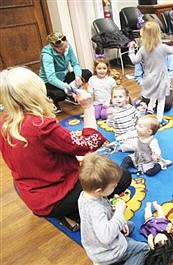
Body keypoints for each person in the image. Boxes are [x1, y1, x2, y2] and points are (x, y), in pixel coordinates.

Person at [0, 67, 132, 229]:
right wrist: (88, 107)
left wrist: (76, 158)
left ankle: (74, 213)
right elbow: (90, 142)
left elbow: (40, 155)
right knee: (122, 176)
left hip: (30, 192)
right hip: (54, 198)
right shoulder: (40, 126)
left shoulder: (5, 122)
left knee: (84, 162)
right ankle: (82, 211)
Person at [78, 153, 149, 265]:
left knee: (129, 225)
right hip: (108, 252)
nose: (116, 187)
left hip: (94, 246)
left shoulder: (85, 195)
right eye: (113, 186)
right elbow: (106, 237)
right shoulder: (96, 209)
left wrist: (117, 217)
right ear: (99, 190)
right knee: (144, 249)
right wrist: (120, 212)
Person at [128, 21, 173, 125]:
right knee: (161, 100)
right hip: (161, 78)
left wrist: (131, 50)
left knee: (154, 93)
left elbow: (134, 60)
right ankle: (159, 119)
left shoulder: (143, 49)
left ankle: (149, 109)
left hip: (149, 79)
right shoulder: (162, 47)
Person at [39, 32, 92, 113]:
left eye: (65, 48)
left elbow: (75, 64)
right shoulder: (47, 56)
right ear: (53, 47)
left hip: (64, 76)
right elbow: (51, 78)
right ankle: (51, 101)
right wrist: (66, 87)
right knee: (60, 95)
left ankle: (71, 95)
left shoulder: (67, 46)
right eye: (61, 50)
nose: (64, 50)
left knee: (86, 73)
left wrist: (78, 76)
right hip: (49, 83)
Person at [106, 86, 143, 153]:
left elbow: (139, 117)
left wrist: (142, 110)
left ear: (126, 98)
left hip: (133, 133)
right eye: (115, 97)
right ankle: (119, 147)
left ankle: (120, 145)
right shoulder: (113, 111)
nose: (117, 99)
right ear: (112, 99)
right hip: (122, 136)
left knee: (147, 141)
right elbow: (109, 125)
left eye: (120, 97)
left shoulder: (130, 107)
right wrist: (111, 116)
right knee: (139, 146)